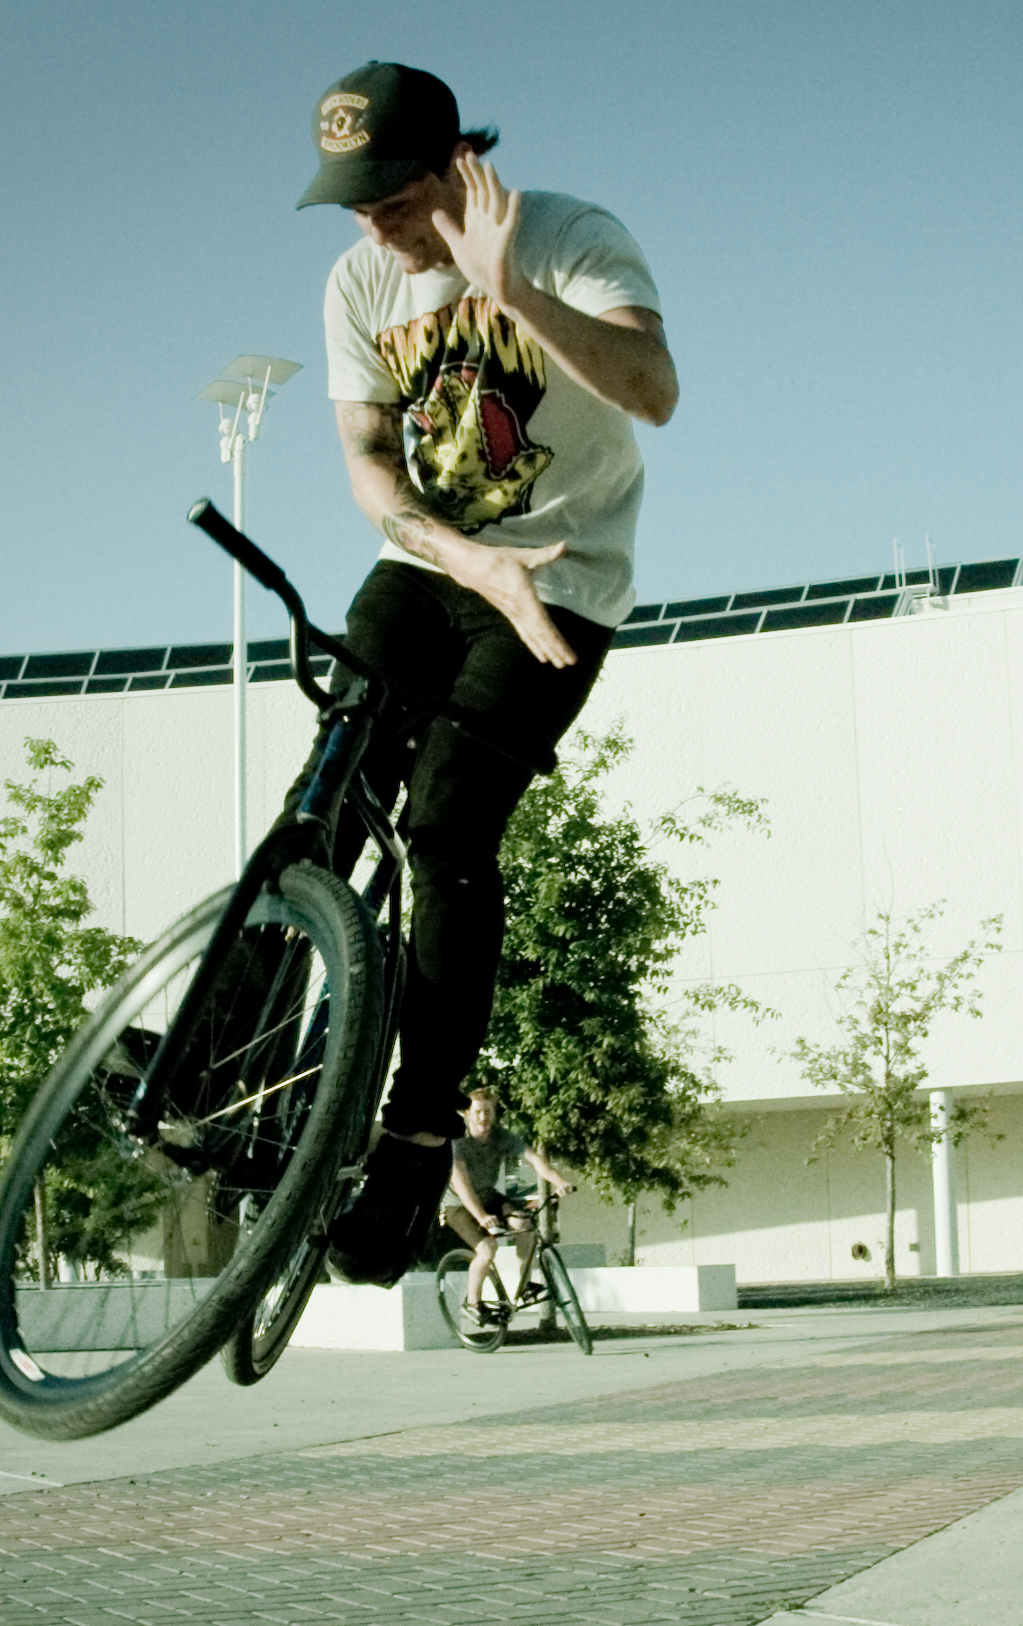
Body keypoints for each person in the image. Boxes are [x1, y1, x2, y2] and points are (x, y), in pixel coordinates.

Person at [291, 61, 678, 1285]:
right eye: (355, 207)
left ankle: (415, 1142)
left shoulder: (571, 240)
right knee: (326, 794)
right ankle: (227, 1055)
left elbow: (655, 392)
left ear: (458, 165)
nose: (375, 230)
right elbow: (368, 456)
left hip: (561, 585)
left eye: (393, 202)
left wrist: (511, 292)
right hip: (433, 564)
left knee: (446, 833)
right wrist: (463, 557)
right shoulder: (358, 281)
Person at [442, 1086, 571, 1319]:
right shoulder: (457, 1141)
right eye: (478, 1112)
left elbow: (534, 1158)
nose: (483, 1117)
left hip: (489, 1196)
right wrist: (481, 1217)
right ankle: (472, 1304)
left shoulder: (501, 1136)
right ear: (467, 1114)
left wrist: (559, 1181)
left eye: (488, 1111)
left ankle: (525, 1287)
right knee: (487, 1249)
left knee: (523, 1225)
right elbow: (462, 1185)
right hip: (459, 1205)